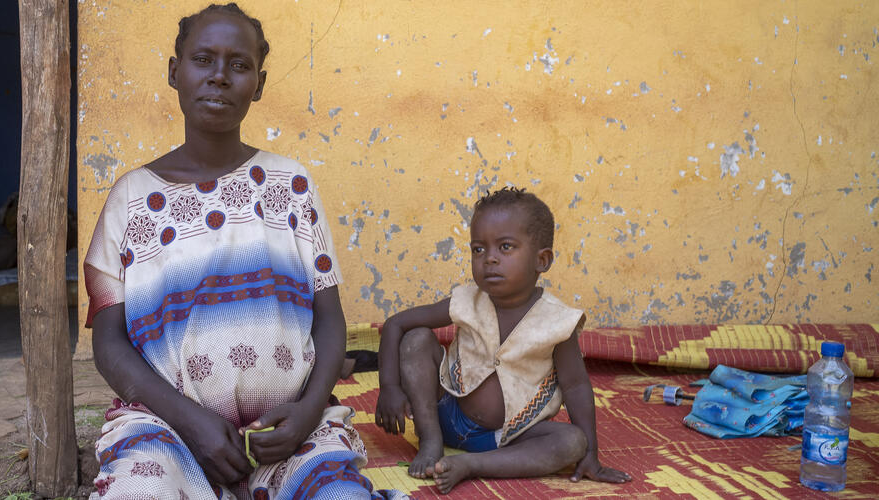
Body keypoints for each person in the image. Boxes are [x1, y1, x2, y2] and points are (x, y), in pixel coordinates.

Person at [84, 4, 406, 499]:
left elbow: (329, 319)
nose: (219, 77)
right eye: (203, 60)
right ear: (175, 72)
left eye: (238, 65)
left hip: (288, 433)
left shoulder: (290, 185)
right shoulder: (131, 200)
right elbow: (108, 345)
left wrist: (307, 411)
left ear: (257, 83)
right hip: (167, 428)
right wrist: (190, 421)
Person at [375, 187, 632, 493]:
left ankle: (473, 465)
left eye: (505, 247)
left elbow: (576, 386)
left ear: (542, 260)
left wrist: (590, 455)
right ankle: (430, 441)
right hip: (444, 414)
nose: (489, 260)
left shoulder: (556, 322)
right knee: (416, 339)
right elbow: (396, 324)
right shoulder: (466, 301)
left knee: (572, 442)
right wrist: (389, 387)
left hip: (508, 436)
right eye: (478, 249)